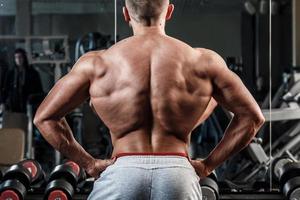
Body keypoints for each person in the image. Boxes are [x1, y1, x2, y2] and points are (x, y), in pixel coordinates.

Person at [34, 0, 265, 199]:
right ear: (169, 11)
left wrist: (89, 164)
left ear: (125, 14)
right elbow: (252, 118)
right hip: (178, 175)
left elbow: (45, 118)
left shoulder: (97, 64)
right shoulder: (203, 61)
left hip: (122, 172)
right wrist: (208, 165)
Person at [2, 48, 43, 113]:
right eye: (16, 57)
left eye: (20, 57)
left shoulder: (32, 73)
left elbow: (39, 90)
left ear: (24, 58)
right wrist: (3, 102)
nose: (18, 59)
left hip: (29, 105)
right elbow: (5, 89)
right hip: (13, 105)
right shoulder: (11, 74)